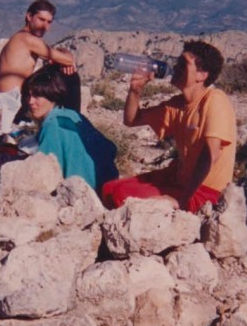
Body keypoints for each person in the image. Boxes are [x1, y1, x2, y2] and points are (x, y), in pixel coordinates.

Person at [101, 40, 237, 213]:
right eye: (178, 62)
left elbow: (211, 154)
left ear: (202, 75)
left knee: (123, 196)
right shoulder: (178, 104)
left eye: (184, 64)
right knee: (109, 189)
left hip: (203, 191)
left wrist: (181, 200)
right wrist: (135, 90)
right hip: (178, 179)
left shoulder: (214, 99)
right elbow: (131, 120)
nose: (176, 67)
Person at [0, 0, 79, 134]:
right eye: (41, 20)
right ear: (29, 16)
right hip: (12, 106)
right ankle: (73, 125)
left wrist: (64, 58)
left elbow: (56, 54)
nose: (45, 27)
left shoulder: (23, 38)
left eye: (49, 22)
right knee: (68, 75)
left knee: (54, 71)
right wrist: (66, 60)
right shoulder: (27, 39)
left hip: (6, 105)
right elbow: (66, 59)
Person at [23, 65, 117, 191]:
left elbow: (42, 169)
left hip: (79, 193)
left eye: (36, 96)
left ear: (51, 95)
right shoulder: (72, 114)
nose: (30, 102)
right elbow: (109, 147)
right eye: (28, 96)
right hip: (103, 186)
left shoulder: (52, 125)